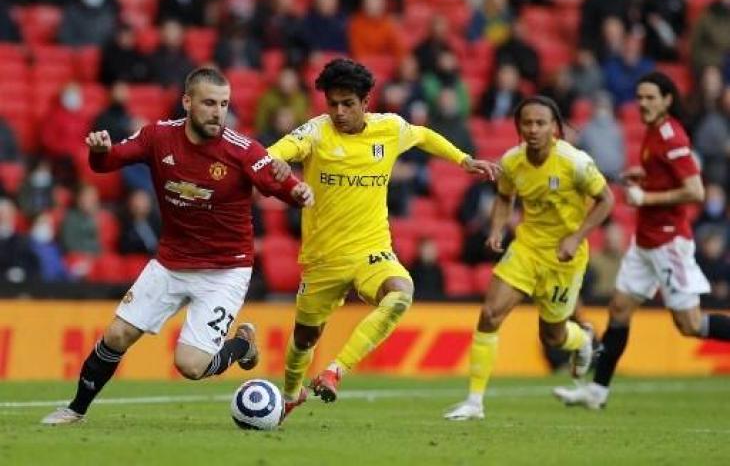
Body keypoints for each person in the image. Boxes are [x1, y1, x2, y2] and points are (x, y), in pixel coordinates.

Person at [40, 67, 314, 425]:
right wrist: (99, 151)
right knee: (118, 334)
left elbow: (284, 188)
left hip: (224, 270)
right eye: (209, 103)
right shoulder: (158, 136)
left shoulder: (242, 150)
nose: (218, 112)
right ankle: (75, 409)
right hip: (171, 263)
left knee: (191, 365)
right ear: (187, 102)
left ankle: (242, 344)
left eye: (224, 104)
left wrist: (297, 190)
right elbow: (107, 163)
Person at [266, 58, 499, 420]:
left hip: (371, 249)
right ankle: (292, 394)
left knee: (400, 293)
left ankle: (334, 372)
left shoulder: (389, 129)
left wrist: (463, 159)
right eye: (333, 104)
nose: (339, 112)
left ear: (365, 102)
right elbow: (271, 156)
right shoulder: (314, 132)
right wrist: (277, 167)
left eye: (348, 104)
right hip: (323, 257)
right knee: (304, 339)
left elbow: (422, 134)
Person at [553, 71, 730, 410]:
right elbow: (667, 177)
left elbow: (696, 190)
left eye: (651, 98)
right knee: (619, 310)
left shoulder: (671, 136)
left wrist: (646, 198)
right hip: (645, 243)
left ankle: (597, 391)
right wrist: (646, 177)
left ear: (667, 100)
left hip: (668, 243)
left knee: (689, 325)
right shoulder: (653, 132)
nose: (643, 104)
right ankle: (597, 393)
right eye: (640, 97)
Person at [444, 95, 614, 420]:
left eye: (541, 123)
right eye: (527, 123)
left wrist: (576, 237)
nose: (534, 129)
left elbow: (606, 200)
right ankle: (474, 402)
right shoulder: (512, 161)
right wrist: (496, 229)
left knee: (553, 336)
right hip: (526, 248)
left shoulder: (575, 162)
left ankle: (582, 339)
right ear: (518, 127)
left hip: (564, 258)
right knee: (490, 315)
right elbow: (505, 197)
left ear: (555, 128)